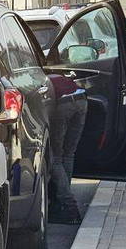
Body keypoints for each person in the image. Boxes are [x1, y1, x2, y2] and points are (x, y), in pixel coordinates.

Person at [46, 71, 87, 224]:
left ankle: (69, 206)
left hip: (63, 104)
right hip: (82, 100)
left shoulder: (38, 80)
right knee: (69, 154)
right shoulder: (59, 77)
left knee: (55, 157)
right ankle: (64, 199)